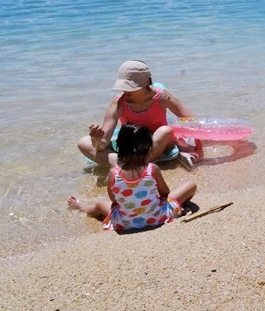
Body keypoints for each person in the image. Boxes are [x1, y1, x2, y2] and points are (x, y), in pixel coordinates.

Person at [68, 123, 197, 232]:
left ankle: (82, 206)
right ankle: (182, 205)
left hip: (125, 223)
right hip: (157, 217)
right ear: (148, 149)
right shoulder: (152, 168)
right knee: (191, 185)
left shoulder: (114, 173)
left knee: (99, 205)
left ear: (120, 148)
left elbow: (114, 200)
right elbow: (165, 193)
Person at [77, 61, 200, 169]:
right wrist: (96, 140)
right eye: (124, 87)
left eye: (131, 87)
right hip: (131, 144)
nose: (126, 91)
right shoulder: (118, 103)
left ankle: (129, 164)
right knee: (83, 142)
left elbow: (190, 121)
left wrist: (194, 150)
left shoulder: (162, 97)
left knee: (165, 131)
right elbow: (102, 145)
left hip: (157, 142)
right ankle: (127, 164)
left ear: (146, 82)